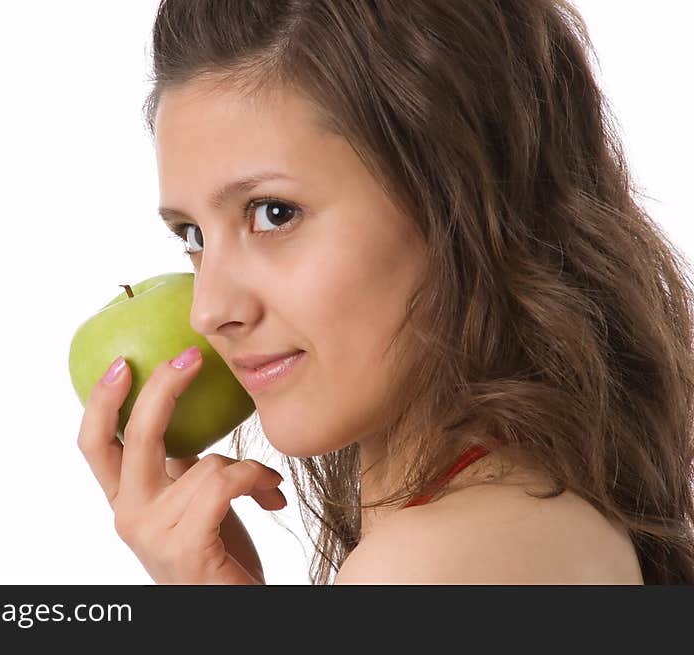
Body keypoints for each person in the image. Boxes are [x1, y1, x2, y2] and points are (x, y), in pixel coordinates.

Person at [77, 0, 694, 584]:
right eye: (192, 234)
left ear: (459, 199)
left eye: (273, 214)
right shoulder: (533, 526)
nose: (209, 310)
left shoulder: (429, 563)